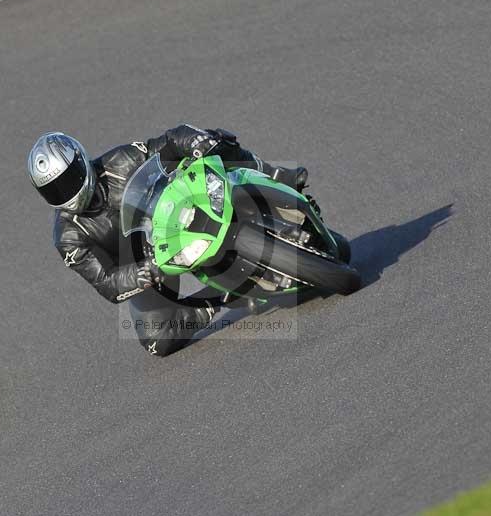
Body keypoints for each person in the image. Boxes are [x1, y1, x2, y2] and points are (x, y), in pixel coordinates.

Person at [28, 124, 309, 356]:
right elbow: (105, 282)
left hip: (176, 212)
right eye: (53, 190)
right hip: (148, 264)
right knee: (157, 341)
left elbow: (165, 144)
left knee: (216, 142)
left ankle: (274, 175)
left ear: (81, 162)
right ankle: (214, 303)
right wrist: (141, 274)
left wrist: (194, 141)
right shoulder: (68, 237)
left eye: (67, 180)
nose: (65, 192)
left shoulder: (119, 162)